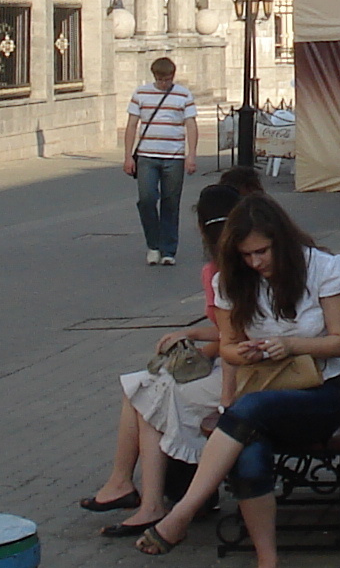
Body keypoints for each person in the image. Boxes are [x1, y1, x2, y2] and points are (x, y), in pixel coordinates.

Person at [133, 196, 340, 568]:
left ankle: (182, 513)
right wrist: (248, 351)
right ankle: (267, 564)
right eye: (246, 255)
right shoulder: (230, 280)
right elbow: (229, 347)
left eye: (262, 251)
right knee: (249, 445)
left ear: (281, 242)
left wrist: (291, 346)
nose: (255, 262)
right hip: (261, 389)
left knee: (244, 411)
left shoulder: (323, 267)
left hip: (318, 393)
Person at [85, 180, 245, 526]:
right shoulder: (242, 263)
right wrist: (191, 336)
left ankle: (145, 499)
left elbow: (234, 336)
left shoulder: (221, 272)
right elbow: (233, 330)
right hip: (243, 365)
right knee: (141, 387)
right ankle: (125, 484)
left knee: (146, 391)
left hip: (245, 373)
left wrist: (203, 354)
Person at [121, 56, 198, 266]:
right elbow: (131, 125)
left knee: (170, 202)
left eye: (168, 79)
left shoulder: (183, 94)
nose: (165, 83)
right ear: (154, 77)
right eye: (161, 79)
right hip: (147, 155)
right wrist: (128, 156)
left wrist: (191, 155)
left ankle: (168, 250)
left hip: (174, 156)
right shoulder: (141, 93)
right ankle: (153, 245)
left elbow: (191, 125)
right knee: (146, 199)